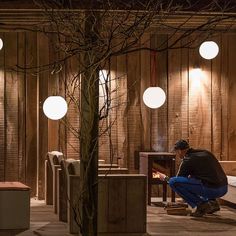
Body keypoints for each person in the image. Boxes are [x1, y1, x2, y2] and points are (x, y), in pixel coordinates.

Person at [158, 139, 228, 217]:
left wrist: (165, 178)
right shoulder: (206, 152)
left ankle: (201, 205)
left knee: (173, 182)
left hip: (212, 190)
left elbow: (178, 181)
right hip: (224, 188)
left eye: (176, 151)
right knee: (198, 178)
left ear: (180, 151)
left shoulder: (187, 159)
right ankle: (213, 203)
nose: (177, 154)